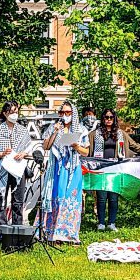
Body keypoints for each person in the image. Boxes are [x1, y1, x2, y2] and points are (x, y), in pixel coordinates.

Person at [88, 108, 140, 231]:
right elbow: (86, 149)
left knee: (114, 198)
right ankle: (101, 222)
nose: (108, 120)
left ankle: (112, 223)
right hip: (100, 169)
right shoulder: (94, 134)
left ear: (114, 119)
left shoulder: (121, 134)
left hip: (116, 169)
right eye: (106, 117)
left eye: (111, 117)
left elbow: (135, 146)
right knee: (101, 198)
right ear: (102, 119)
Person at [41, 101, 89, 244]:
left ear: (73, 114)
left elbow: (86, 152)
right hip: (57, 169)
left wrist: (76, 146)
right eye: (62, 113)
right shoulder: (53, 127)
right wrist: (55, 132)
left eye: (68, 113)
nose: (64, 115)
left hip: (73, 170)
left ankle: (70, 234)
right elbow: (46, 146)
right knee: (58, 197)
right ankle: (54, 233)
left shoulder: (80, 129)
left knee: (72, 199)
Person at [0, 101, 31, 235]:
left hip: (18, 170)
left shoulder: (23, 130)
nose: (14, 115)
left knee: (17, 202)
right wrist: (2, 153)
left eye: (16, 112)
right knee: (0, 201)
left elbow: (28, 147)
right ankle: (2, 233)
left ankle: (17, 232)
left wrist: (23, 153)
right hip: (3, 170)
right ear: (5, 113)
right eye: (12, 112)